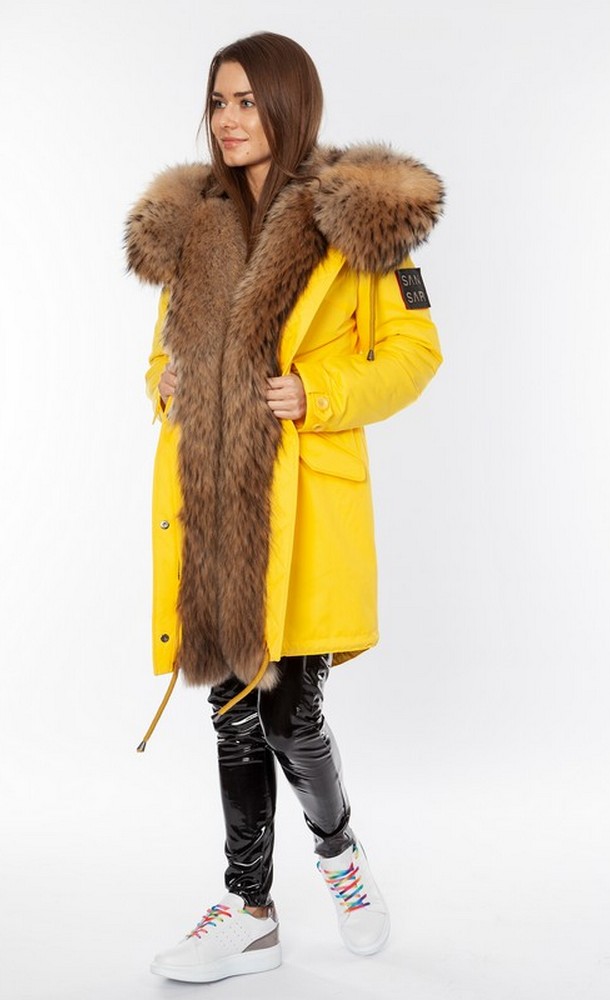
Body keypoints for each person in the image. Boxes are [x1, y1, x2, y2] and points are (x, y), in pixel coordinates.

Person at [124, 30, 444, 984]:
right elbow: (161, 355)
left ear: (288, 104)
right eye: (218, 101)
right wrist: (165, 383)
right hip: (213, 505)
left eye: (247, 101)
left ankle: (339, 855)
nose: (228, 119)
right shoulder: (198, 225)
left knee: (290, 715)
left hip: (301, 514)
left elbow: (414, 354)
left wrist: (320, 391)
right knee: (232, 714)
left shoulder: (355, 218)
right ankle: (249, 910)